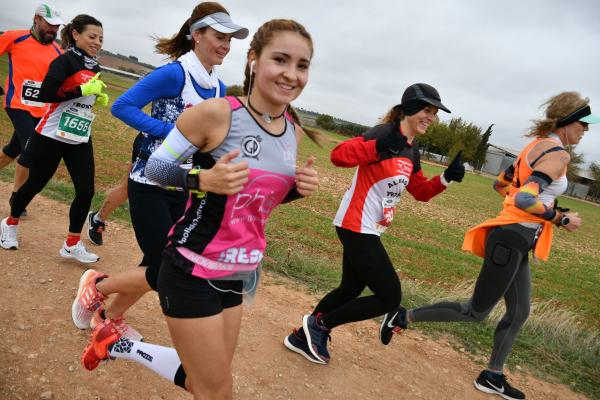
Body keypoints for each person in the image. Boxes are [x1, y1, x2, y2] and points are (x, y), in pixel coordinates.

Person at [79, 19, 320, 399]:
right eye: (281, 60)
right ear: (254, 60)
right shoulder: (216, 112)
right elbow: (155, 167)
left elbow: (255, 199)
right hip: (192, 268)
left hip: (238, 272)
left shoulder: (289, 127)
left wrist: (295, 191)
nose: (292, 74)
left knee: (205, 380)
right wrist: (202, 180)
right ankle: (107, 317)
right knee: (217, 391)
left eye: (302, 65)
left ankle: (118, 345)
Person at [380, 91, 595, 400]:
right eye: (583, 123)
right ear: (567, 121)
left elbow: (502, 184)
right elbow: (524, 197)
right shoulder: (558, 154)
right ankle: (403, 316)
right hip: (511, 238)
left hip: (518, 238)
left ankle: (492, 375)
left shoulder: (534, 146)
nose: (586, 130)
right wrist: (560, 218)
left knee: (519, 311)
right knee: (475, 312)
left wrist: (527, 208)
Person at [70, 3, 249, 340]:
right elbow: (124, 106)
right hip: (149, 182)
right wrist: (172, 132)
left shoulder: (217, 87)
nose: (226, 45)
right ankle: (97, 286)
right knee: (165, 266)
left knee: (156, 262)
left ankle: (107, 315)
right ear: (197, 36)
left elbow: (208, 139)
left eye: (230, 39)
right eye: (220, 36)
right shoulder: (175, 74)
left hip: (183, 188)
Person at [284, 83, 465, 365]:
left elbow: (420, 192)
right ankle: (319, 327)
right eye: (427, 110)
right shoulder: (384, 134)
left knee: (350, 289)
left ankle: (301, 337)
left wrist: (446, 179)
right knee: (390, 297)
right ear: (409, 109)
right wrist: (377, 146)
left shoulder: (411, 150)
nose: (432, 117)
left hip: (369, 227)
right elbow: (338, 156)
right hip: (356, 223)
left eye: (435, 112)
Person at [0, 14, 108, 261]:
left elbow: (83, 97)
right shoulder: (64, 61)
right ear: (75, 35)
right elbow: (46, 93)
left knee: (85, 190)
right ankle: (10, 222)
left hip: (79, 134)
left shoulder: (96, 66)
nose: (97, 42)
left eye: (101, 38)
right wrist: (81, 90)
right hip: (52, 133)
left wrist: (95, 97)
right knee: (36, 183)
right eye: (92, 37)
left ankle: (71, 243)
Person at [0, 4, 64, 217]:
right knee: (31, 149)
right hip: (17, 104)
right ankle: (17, 196)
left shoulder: (58, 52)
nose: (53, 31)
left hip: (41, 112)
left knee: (12, 149)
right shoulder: (14, 37)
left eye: (56, 27)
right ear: (36, 19)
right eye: (49, 25)